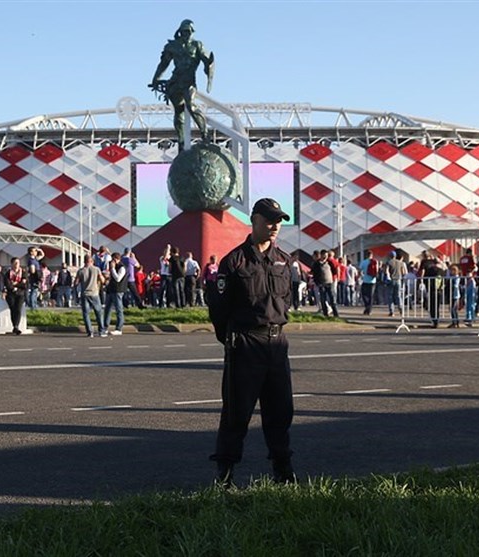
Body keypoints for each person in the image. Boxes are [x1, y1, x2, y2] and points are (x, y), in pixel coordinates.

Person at [207, 198, 296, 487]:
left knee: (280, 411)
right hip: (245, 344)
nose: (275, 226)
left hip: (276, 344)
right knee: (236, 413)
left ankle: (283, 473)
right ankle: (226, 476)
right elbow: (219, 309)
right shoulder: (234, 261)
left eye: (279, 221)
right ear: (254, 220)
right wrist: (232, 340)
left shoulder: (284, 260)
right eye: (269, 220)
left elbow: (287, 301)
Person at [149, 19, 214, 149]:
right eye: (185, 31)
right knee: (178, 112)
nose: (187, 34)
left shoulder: (197, 45)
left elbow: (206, 61)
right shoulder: (172, 46)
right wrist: (155, 79)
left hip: (189, 81)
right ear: (180, 31)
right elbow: (163, 64)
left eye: (189, 32)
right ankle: (181, 140)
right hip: (176, 81)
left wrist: (209, 65)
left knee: (191, 105)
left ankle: (205, 134)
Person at [75, 255, 106, 337]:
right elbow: (102, 280)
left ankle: (90, 332)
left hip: (85, 294)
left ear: (84, 261)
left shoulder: (81, 271)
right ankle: (101, 331)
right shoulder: (96, 269)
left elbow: (76, 282)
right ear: (92, 261)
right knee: (99, 313)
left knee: (86, 314)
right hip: (95, 293)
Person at [103, 252, 127, 335]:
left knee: (118, 309)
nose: (111, 262)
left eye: (113, 260)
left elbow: (118, 278)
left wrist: (112, 269)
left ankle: (119, 328)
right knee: (107, 309)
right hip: (111, 290)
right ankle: (105, 327)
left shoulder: (122, 268)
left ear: (117, 259)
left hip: (118, 290)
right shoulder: (113, 266)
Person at [4, 258, 27, 335]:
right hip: (11, 294)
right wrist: (14, 286)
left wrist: (15, 284)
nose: (17, 264)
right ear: (12, 264)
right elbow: (8, 285)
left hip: (20, 294)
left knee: (18, 309)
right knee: (13, 309)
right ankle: (15, 326)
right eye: (15, 263)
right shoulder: (8, 273)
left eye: (18, 263)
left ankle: (16, 326)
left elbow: (24, 285)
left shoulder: (23, 273)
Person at [359, 250, 378, 314]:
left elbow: (360, 270)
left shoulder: (363, 262)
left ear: (366, 255)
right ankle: (369, 310)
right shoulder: (375, 262)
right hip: (373, 281)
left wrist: (361, 275)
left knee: (364, 294)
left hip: (365, 280)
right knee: (371, 296)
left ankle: (367, 306)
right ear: (372, 255)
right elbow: (377, 271)